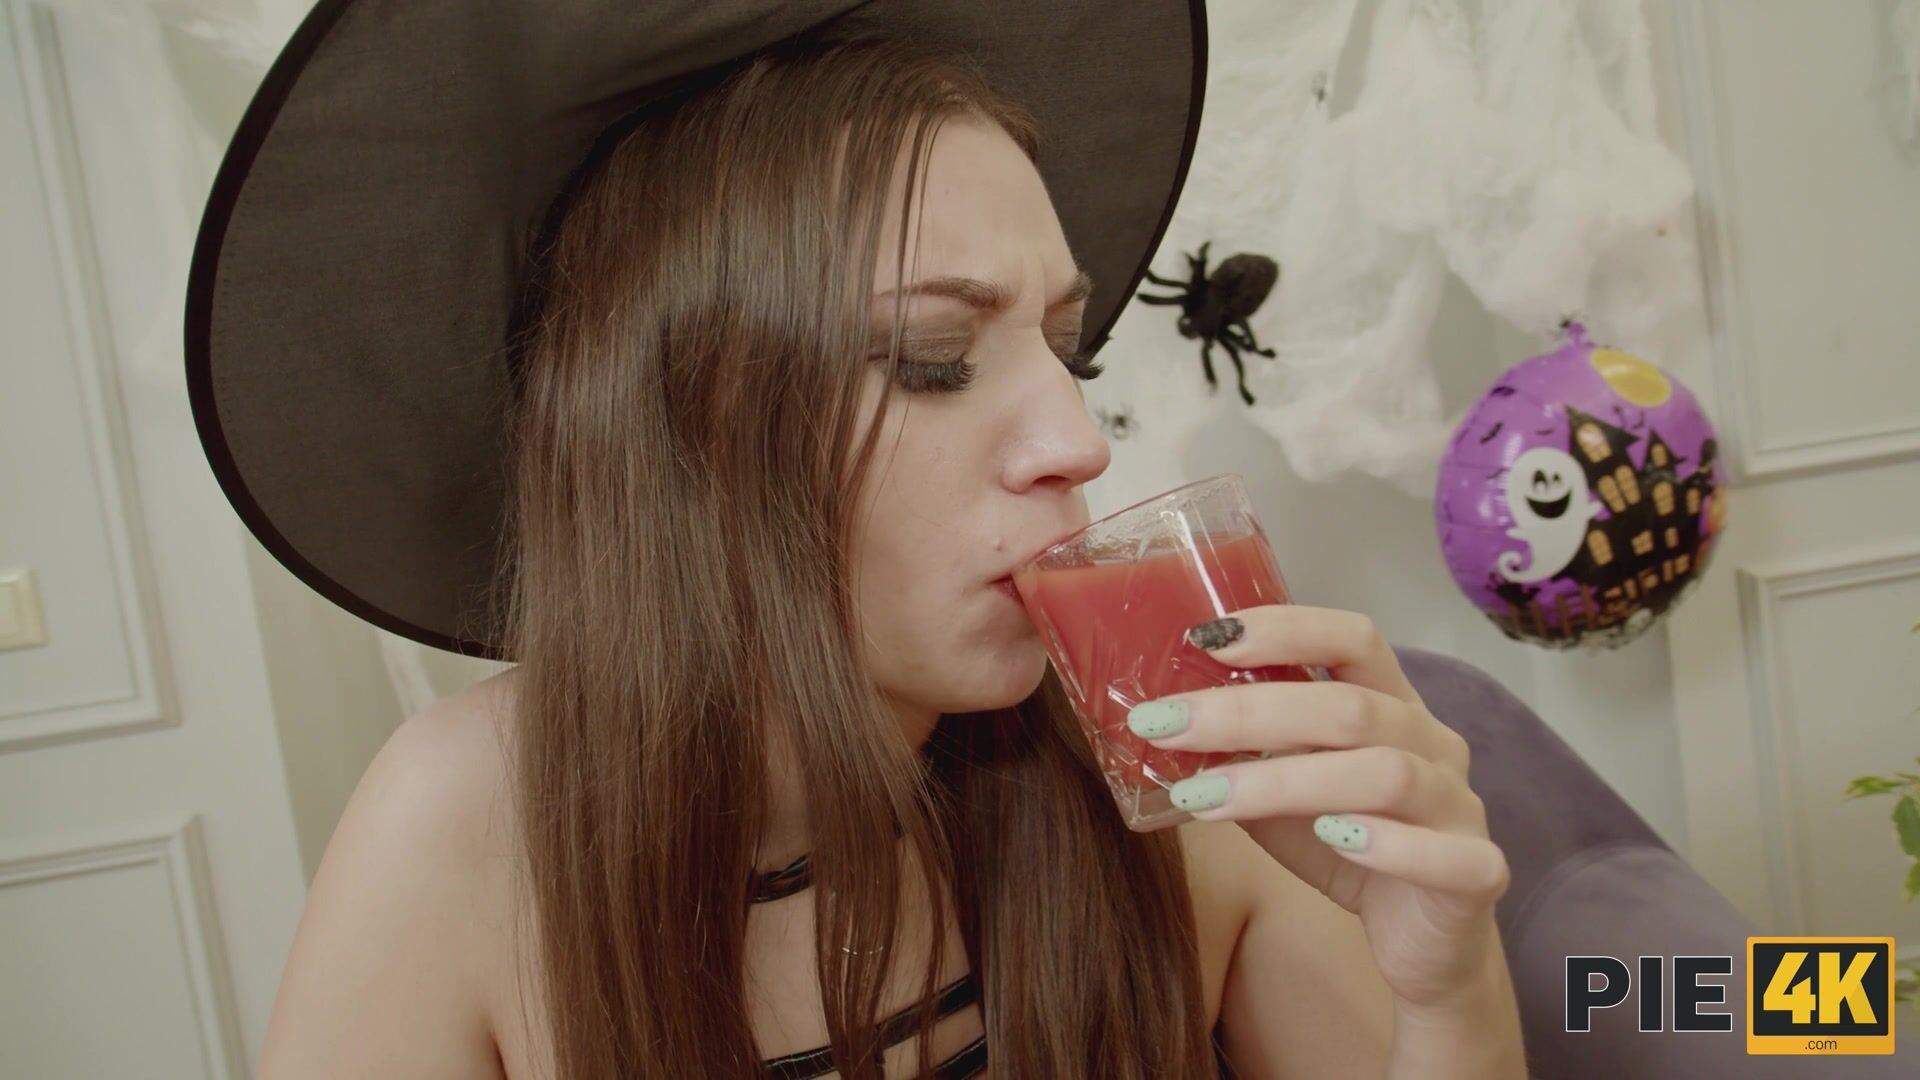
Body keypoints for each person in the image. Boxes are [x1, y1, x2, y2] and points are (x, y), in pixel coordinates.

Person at [190, 7, 1527, 1078]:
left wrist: (1447, 986)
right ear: (685, 434)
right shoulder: (465, 830)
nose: (1078, 441)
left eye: (1072, 354)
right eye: (935, 357)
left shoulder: (1163, 766)